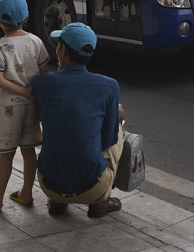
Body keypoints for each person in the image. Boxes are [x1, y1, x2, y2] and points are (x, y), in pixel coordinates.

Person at [32, 23, 125, 218]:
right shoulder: (109, 86)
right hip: (93, 188)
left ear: (63, 50)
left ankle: (58, 201)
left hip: (48, 185)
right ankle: (101, 201)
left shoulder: (42, 84)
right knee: (118, 127)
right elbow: (108, 139)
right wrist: (115, 115)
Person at [0, 0, 48, 212]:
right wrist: (37, 99)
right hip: (32, 107)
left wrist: (22, 91)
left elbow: (0, 80)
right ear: (26, 17)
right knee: (28, 151)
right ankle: (26, 193)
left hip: (9, 110)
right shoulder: (36, 42)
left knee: (7, 155)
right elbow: (44, 76)